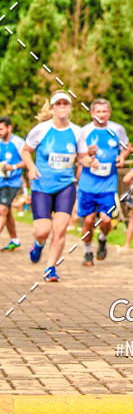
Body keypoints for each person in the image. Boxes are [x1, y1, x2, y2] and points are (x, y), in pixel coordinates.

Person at [22, 91, 81, 282]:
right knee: (42, 231)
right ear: (53, 108)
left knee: (60, 229)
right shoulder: (41, 130)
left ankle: (50, 268)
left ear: (70, 107)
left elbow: (82, 158)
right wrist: (31, 167)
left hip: (66, 186)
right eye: (59, 103)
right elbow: (26, 151)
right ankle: (38, 244)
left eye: (66, 103)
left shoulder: (77, 132)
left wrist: (90, 161)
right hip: (42, 186)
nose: (62, 106)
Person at [77, 98, 129, 266]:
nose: (101, 115)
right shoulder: (84, 131)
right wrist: (86, 154)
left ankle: (102, 238)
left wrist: (122, 157)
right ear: (92, 113)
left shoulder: (117, 129)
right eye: (98, 111)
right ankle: (87, 252)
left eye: (104, 111)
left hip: (108, 183)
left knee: (106, 220)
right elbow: (77, 155)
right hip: (87, 183)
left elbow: (126, 146)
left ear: (109, 113)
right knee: (88, 220)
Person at [0, 116, 25, 251]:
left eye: (1, 129)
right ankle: (15, 241)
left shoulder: (18, 142)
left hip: (13, 182)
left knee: (2, 210)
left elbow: (26, 161)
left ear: (9, 128)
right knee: (7, 211)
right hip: (1, 181)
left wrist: (13, 167)